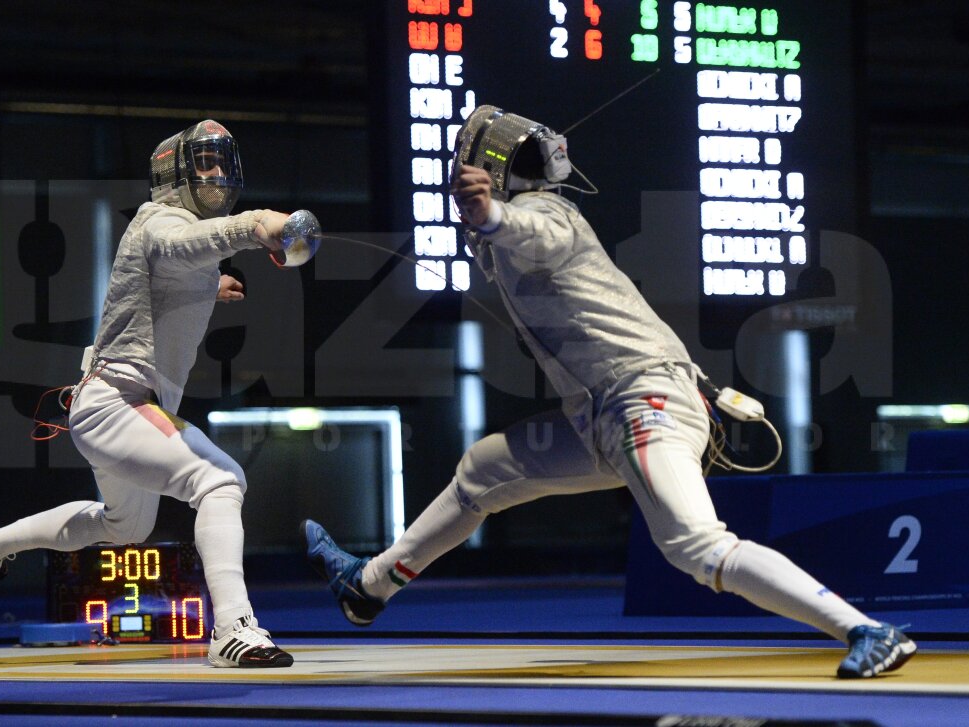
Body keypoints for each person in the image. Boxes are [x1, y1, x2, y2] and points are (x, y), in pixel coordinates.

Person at [305, 106, 916, 679]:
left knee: (697, 546)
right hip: (602, 416)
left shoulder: (550, 213)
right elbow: (503, 240)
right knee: (483, 470)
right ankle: (370, 587)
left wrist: (490, 214)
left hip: (645, 399)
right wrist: (487, 223)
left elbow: (530, 230)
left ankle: (867, 630)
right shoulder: (520, 229)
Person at [0, 119, 298, 668]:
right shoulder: (158, 220)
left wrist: (212, 285)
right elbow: (182, 245)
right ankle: (233, 628)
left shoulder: (183, 239)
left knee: (125, 526)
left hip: (116, 406)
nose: (216, 174)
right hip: (118, 403)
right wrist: (256, 224)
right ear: (174, 173)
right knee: (221, 479)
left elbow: (180, 267)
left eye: (221, 163)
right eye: (204, 163)